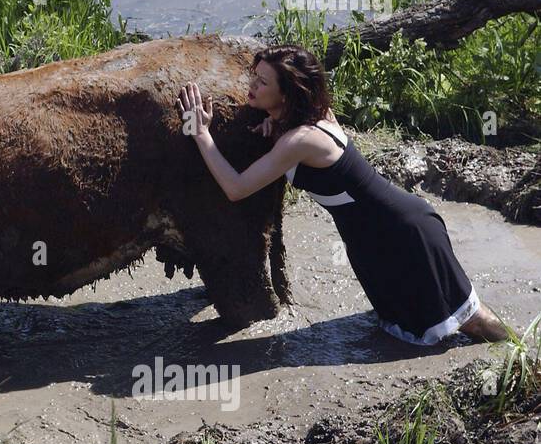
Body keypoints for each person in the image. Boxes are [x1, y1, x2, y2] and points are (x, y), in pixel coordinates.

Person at [176, 43, 510, 346]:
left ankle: (521, 354)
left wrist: (201, 134)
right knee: (428, 321)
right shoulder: (310, 118)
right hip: (375, 239)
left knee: (470, 317)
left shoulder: (300, 140)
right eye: (254, 76)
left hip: (403, 235)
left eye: (263, 83)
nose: (252, 86)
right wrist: (273, 125)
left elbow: (236, 188)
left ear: (287, 95)